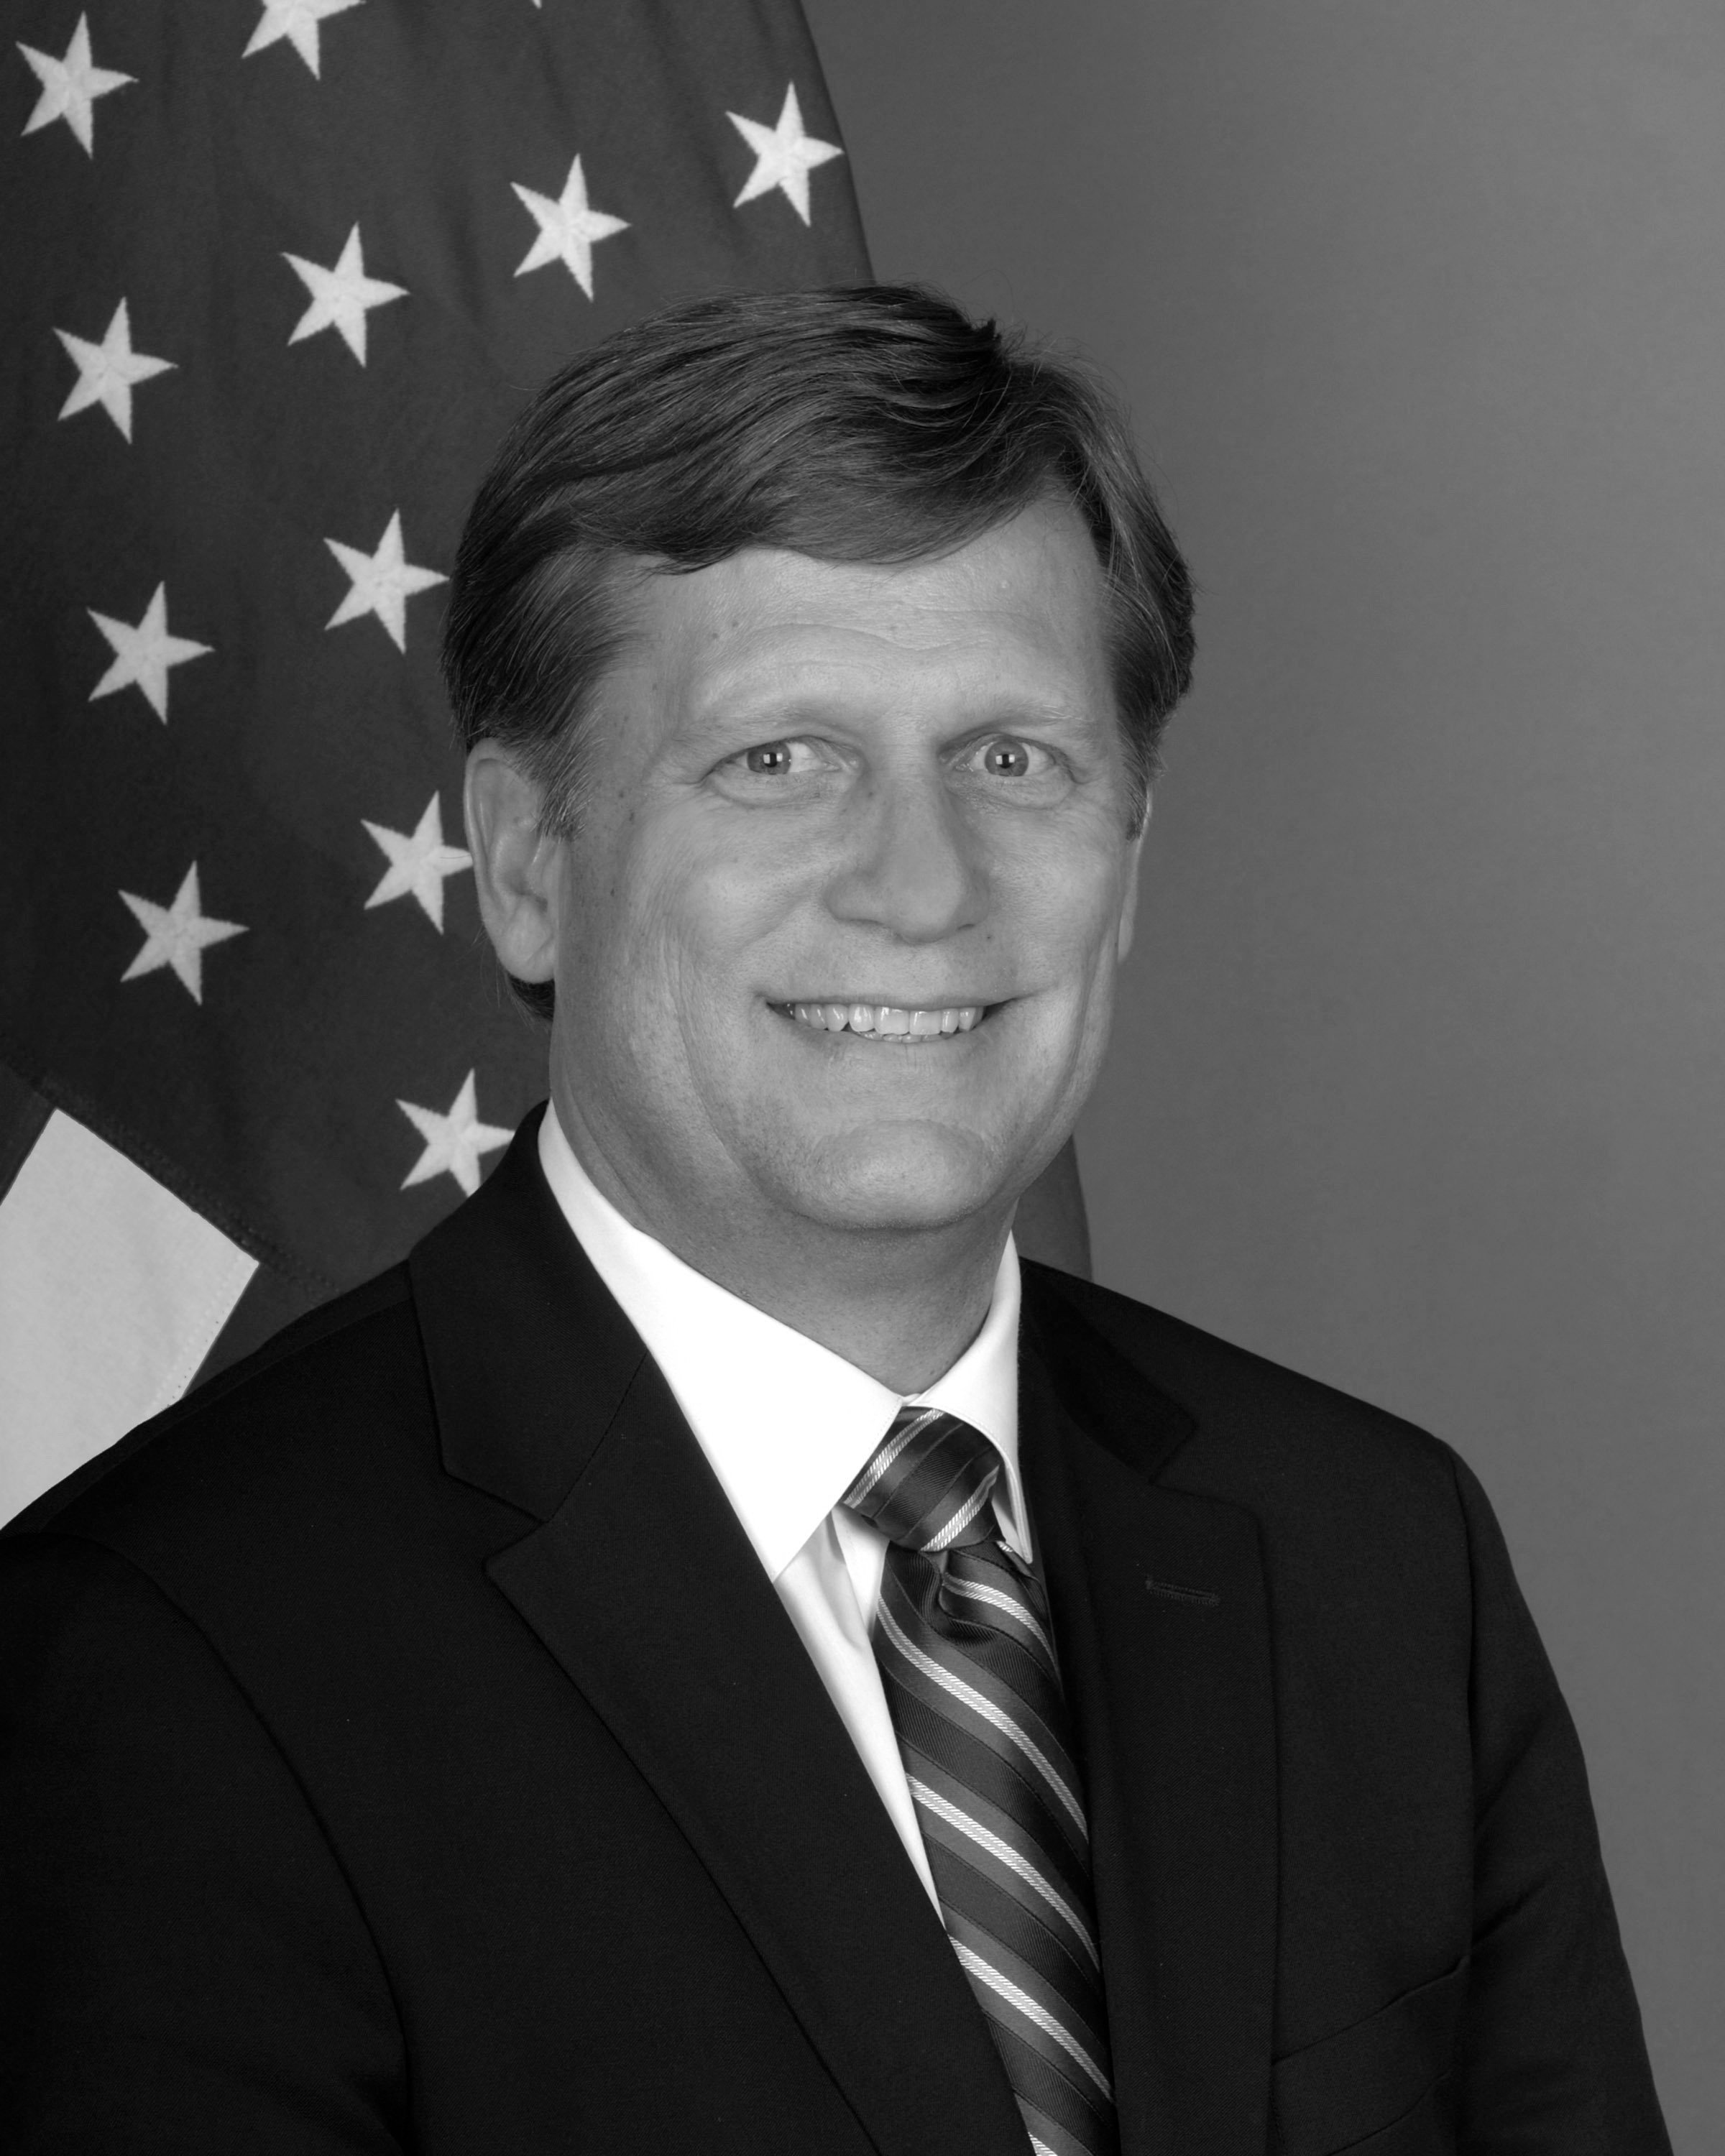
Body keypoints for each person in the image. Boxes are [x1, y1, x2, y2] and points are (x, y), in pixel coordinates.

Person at [0, 286, 1668, 2156]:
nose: (919, 882)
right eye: (779, 760)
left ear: (1126, 860)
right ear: (532, 863)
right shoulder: (164, 1661)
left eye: (1013, 758)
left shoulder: (1377, 1558)